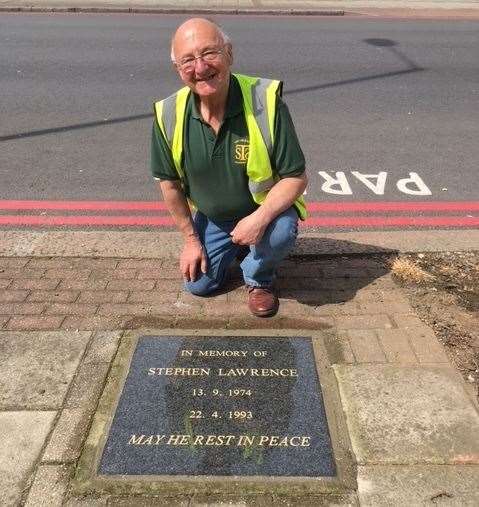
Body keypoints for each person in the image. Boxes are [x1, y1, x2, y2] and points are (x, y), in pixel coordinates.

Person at [151, 18, 307, 317]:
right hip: (214, 217)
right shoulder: (167, 113)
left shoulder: (266, 101)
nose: (200, 67)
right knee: (199, 286)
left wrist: (258, 219)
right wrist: (190, 240)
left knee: (280, 232)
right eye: (188, 60)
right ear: (178, 70)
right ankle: (236, 246)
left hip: (263, 211)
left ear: (229, 54)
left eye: (210, 53)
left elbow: (295, 177)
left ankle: (259, 276)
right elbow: (169, 184)